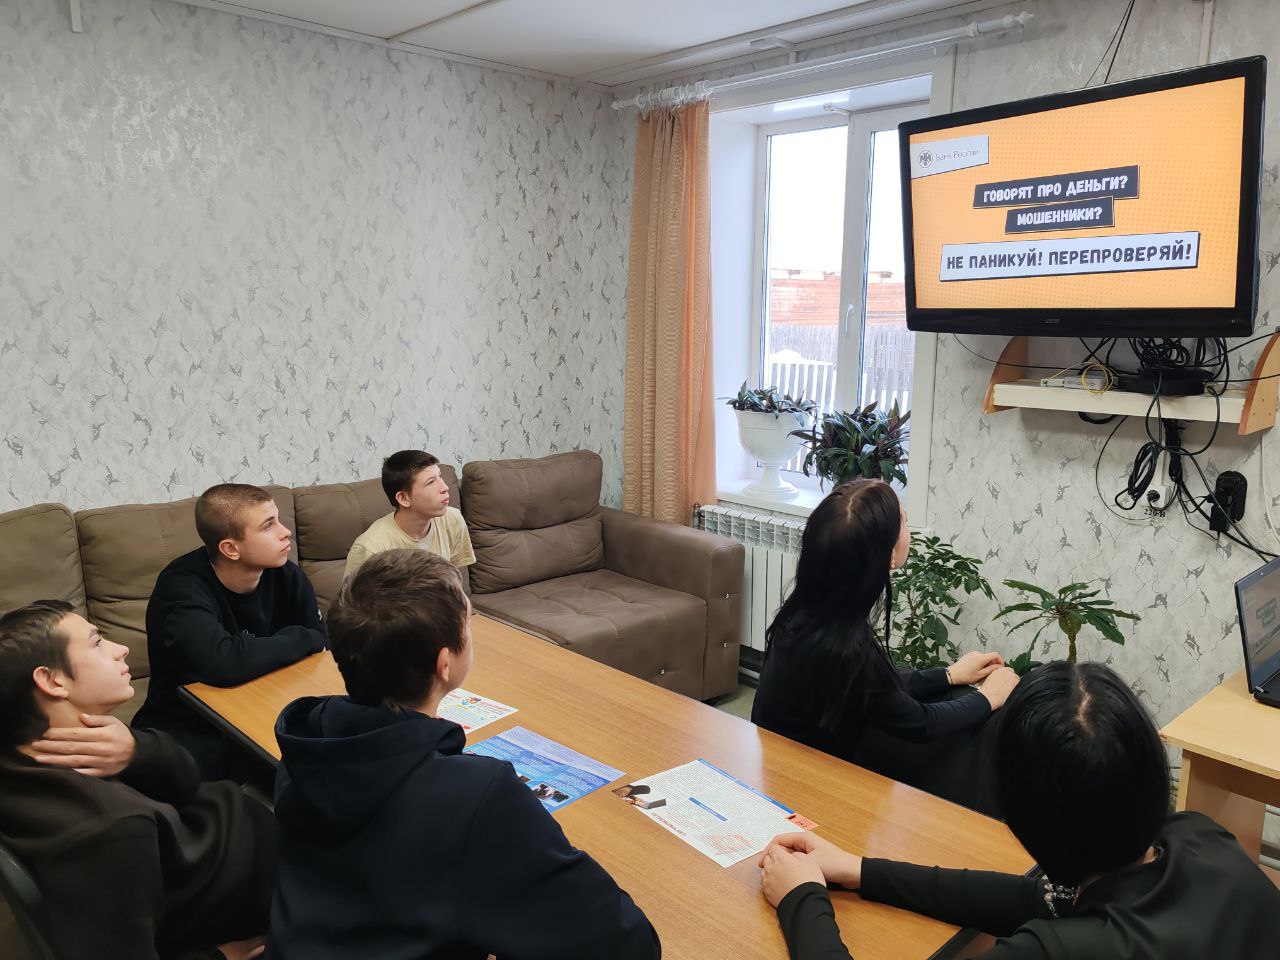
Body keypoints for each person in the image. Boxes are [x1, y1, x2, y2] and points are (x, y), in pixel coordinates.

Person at [266, 549, 660, 960]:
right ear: (445, 664)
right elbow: (627, 944)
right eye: (468, 623)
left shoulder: (307, 739)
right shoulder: (477, 795)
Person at [758, 661, 1280, 959]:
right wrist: (859, 869)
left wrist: (801, 900)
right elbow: (1042, 897)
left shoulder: (1054, 951)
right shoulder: (1199, 837)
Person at [0, 600, 276, 960]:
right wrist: (218, 957)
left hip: (213, 838)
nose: (121, 649)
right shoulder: (107, 831)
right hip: (260, 880)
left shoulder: (27, 752)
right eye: (98, 642)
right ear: (52, 680)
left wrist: (136, 750)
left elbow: (186, 782)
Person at [751, 479, 1018, 812]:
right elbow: (921, 723)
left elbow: (873, 686)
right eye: (903, 521)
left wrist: (948, 675)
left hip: (784, 767)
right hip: (811, 794)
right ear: (888, 554)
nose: (908, 527)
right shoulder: (846, 647)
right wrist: (988, 696)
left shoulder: (806, 615)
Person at [132, 483, 327, 779]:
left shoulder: (287, 574)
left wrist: (308, 640)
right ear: (230, 549)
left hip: (269, 707)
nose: (285, 532)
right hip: (191, 724)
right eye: (268, 526)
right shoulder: (181, 587)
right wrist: (304, 637)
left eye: (278, 520)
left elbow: (322, 648)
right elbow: (223, 663)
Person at [342, 449, 476, 583]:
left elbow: (454, 585)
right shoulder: (370, 549)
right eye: (431, 482)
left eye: (440, 476)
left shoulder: (452, 519)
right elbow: (355, 596)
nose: (445, 487)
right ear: (404, 498)